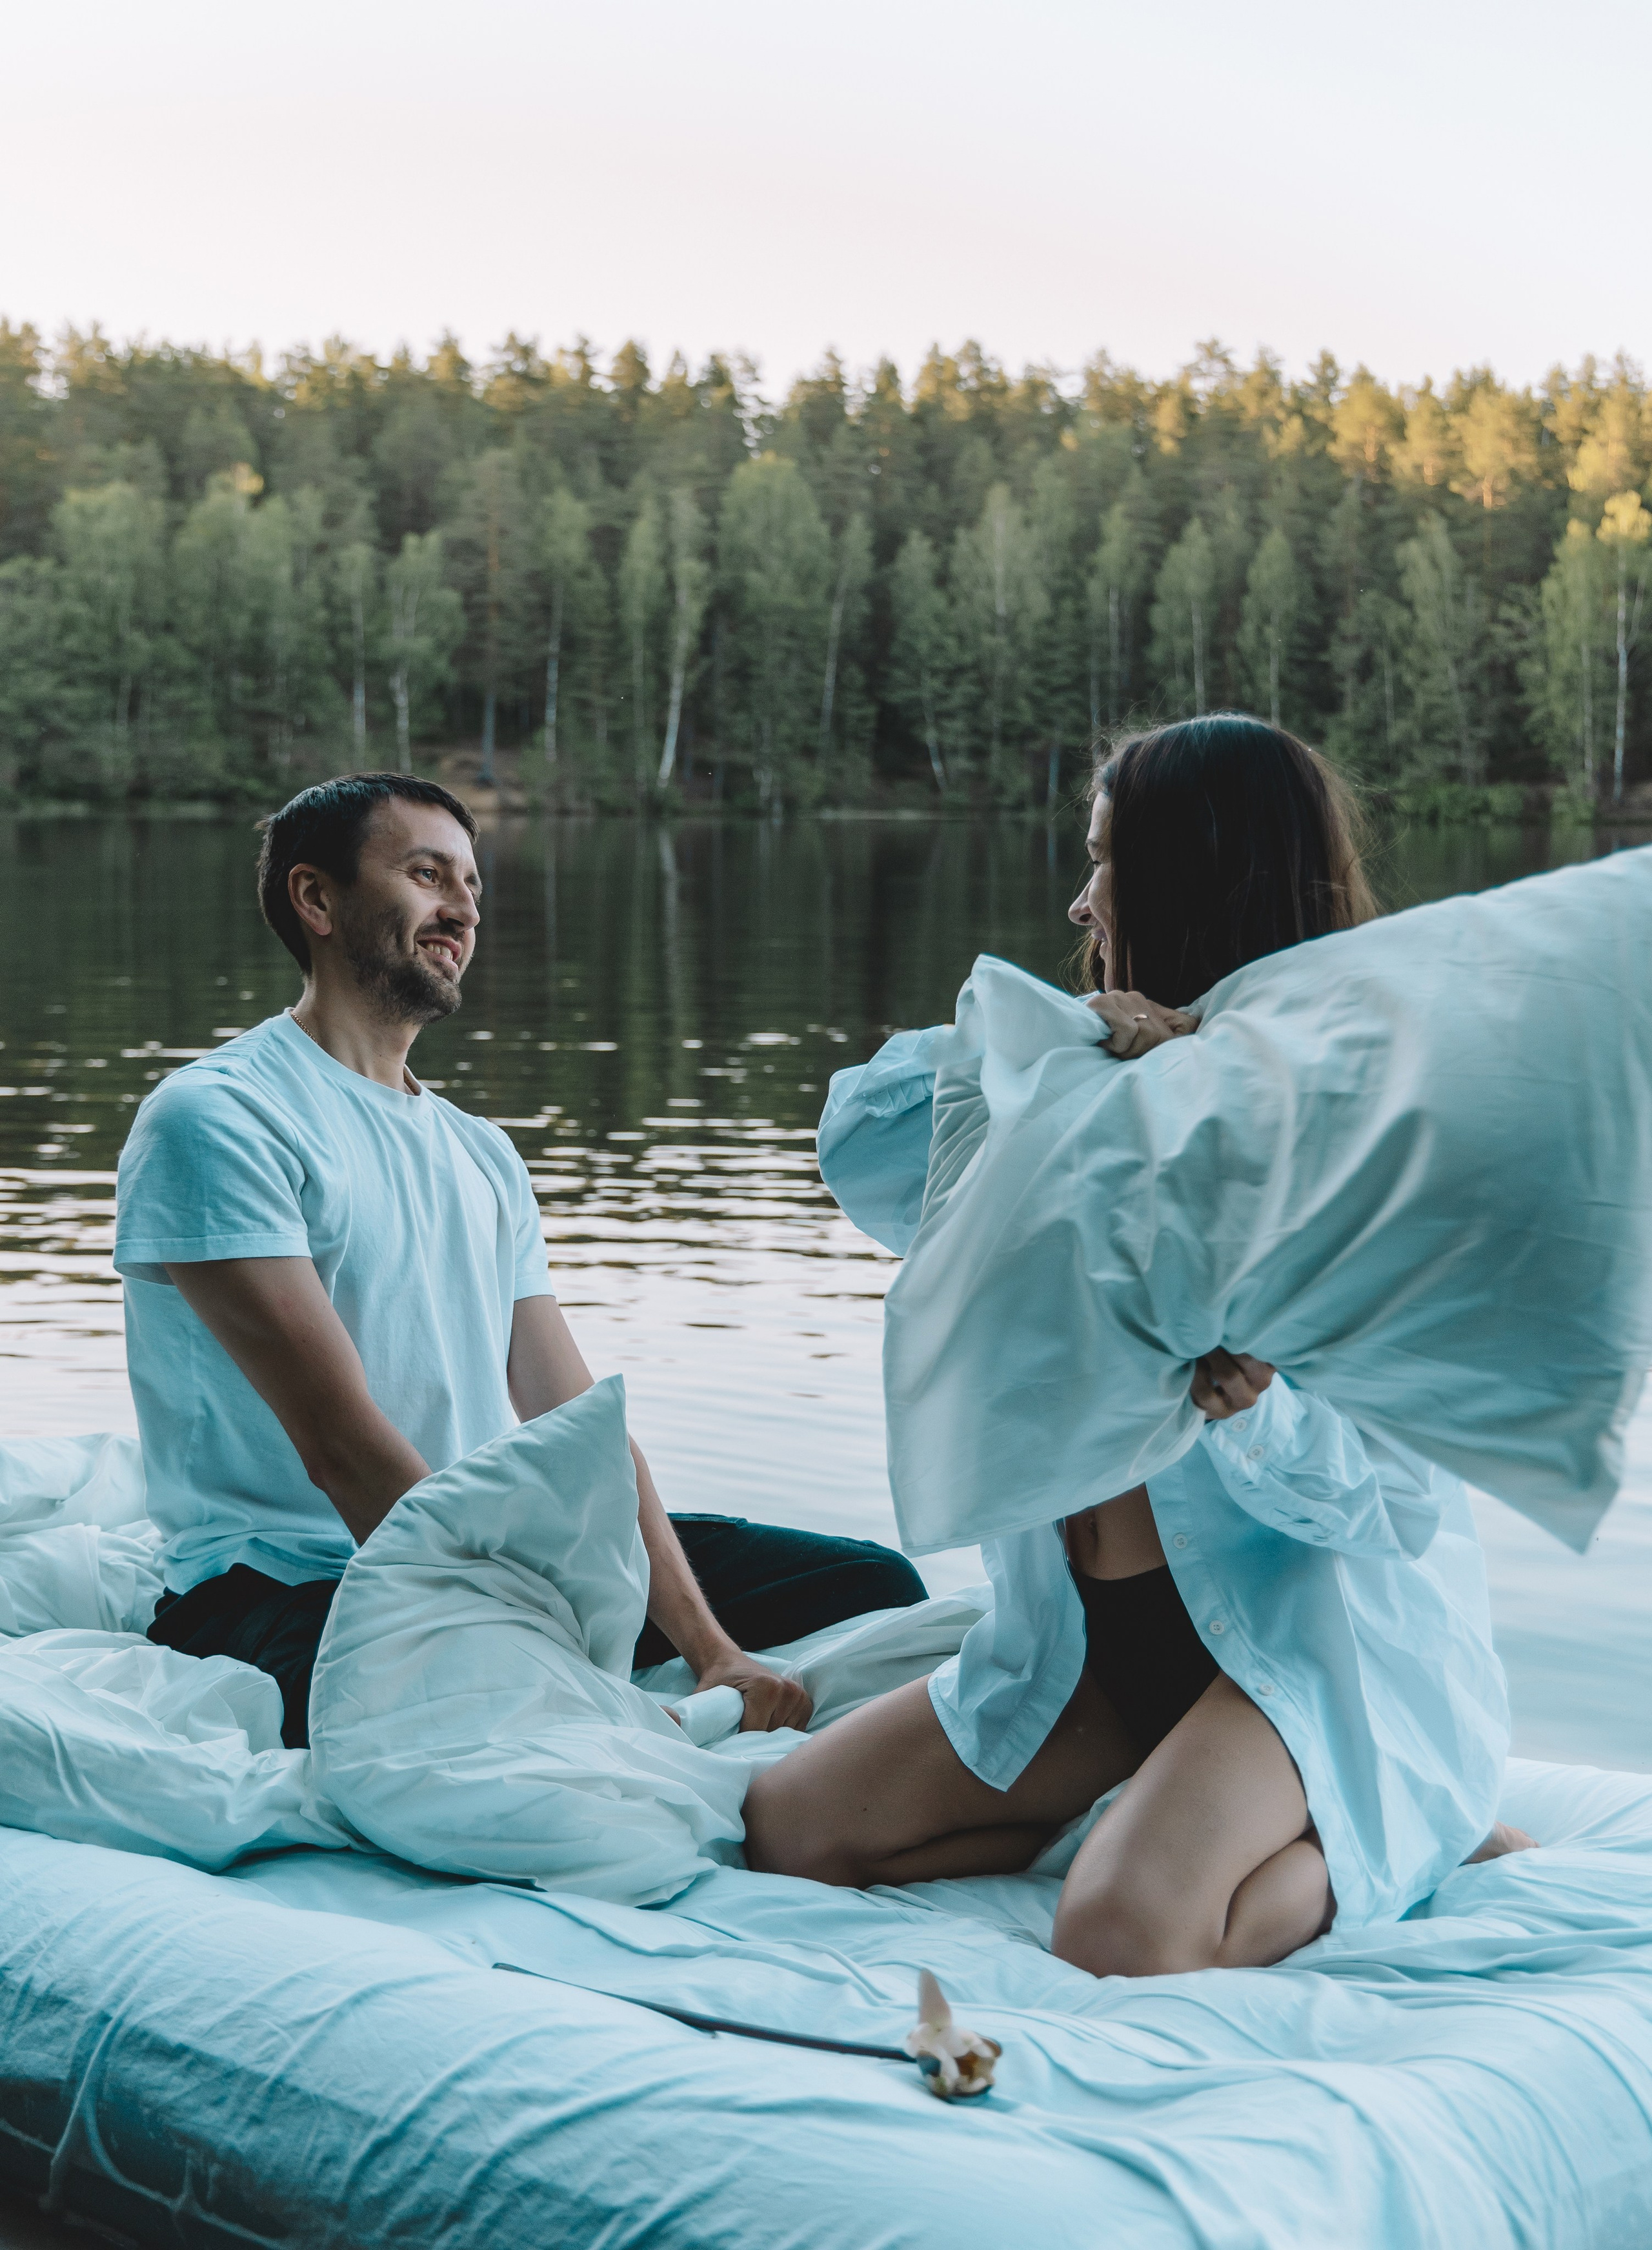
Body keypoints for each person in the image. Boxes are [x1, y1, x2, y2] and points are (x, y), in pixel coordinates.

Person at [745, 715, 1530, 1972]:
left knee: (1122, 1935)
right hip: (1090, 1656)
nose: (1080, 900)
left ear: (1187, 878)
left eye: (1106, 861)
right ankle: (1157, 1804)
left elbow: (1386, 1505)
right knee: (792, 1829)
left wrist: (1258, 1408)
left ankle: (1408, 1831)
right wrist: (1072, 1058)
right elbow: (860, 1149)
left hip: (1289, 1658)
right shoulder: (1073, 1095)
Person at [119, 773, 923, 1749]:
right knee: (482, 1701)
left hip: (485, 1544)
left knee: (870, 1584)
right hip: (281, 1587)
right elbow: (341, 1449)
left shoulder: (481, 1153)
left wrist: (713, 1649)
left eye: (472, 885)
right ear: (316, 899)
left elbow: (574, 1423)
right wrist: (532, 1622)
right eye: (427, 875)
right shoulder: (219, 1119)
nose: (463, 910)